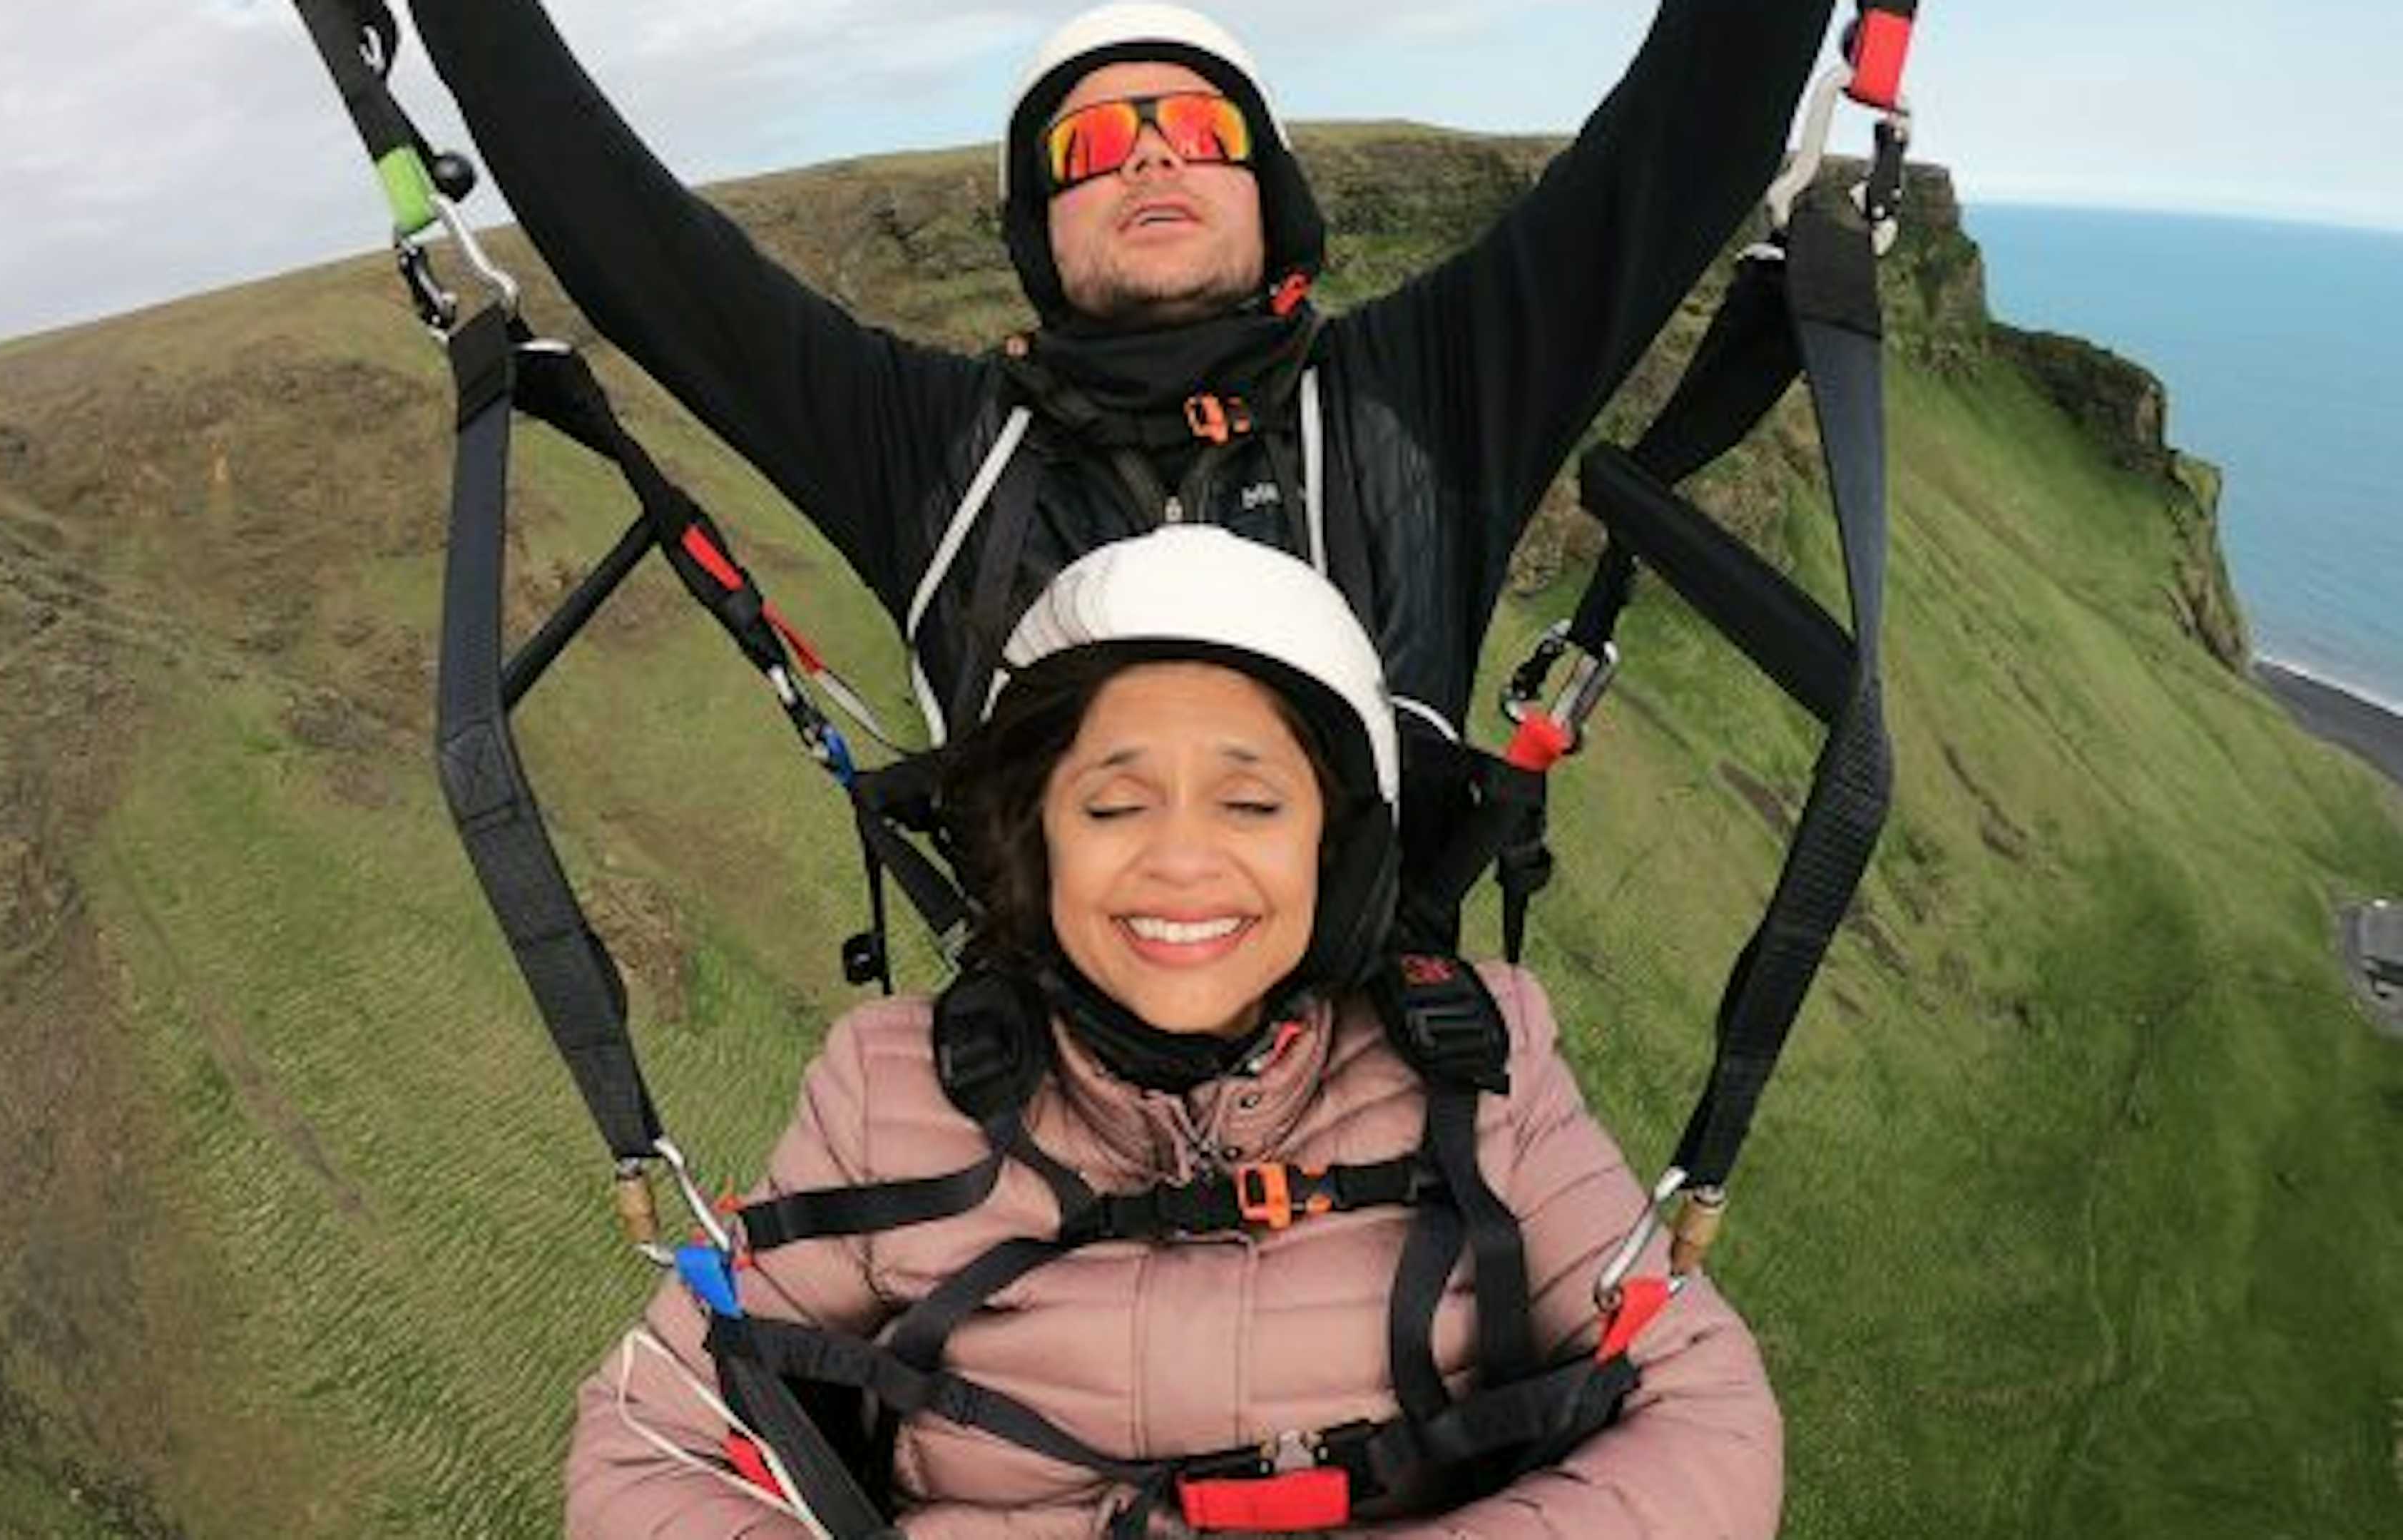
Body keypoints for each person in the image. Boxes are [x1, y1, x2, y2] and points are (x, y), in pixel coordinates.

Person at [565, 528, 1780, 1537]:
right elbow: (652, 1430)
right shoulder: (891, 1093)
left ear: (1335, 851)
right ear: (1038, 845)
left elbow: (1706, 1408)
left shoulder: (1481, 1066)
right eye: (1115, 803)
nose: (1184, 860)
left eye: (1251, 802)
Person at [407, 0, 1839, 744]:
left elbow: (1684, 137)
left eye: (1194, 130)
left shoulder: (1426, 396)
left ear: (1269, 194)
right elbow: (638, 249)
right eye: (1091, 149)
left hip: (1391, 1124)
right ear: (1042, 230)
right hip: (1031, 1150)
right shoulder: (929, 447)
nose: (1149, 152)